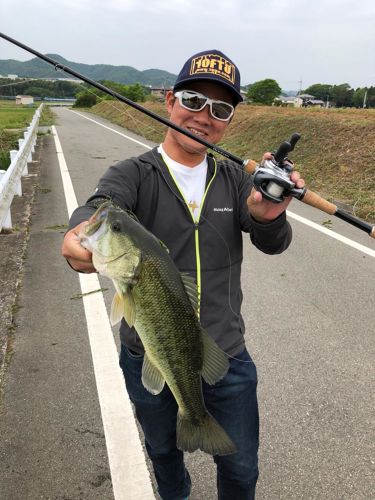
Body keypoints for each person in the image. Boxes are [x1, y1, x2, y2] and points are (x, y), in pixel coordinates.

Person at [62, 49, 305, 500]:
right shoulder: (133, 173)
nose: (204, 117)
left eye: (221, 109)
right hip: (147, 353)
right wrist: (80, 230)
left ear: (229, 120)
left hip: (225, 353)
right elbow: (101, 206)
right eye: (194, 101)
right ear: (170, 101)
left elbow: (272, 241)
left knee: (241, 468)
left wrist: (270, 216)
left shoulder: (235, 178)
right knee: (164, 457)